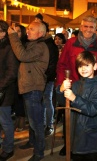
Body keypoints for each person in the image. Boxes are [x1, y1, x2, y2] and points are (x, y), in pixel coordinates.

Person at [56, 15, 97, 156]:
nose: (88, 29)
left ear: (96, 29)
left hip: (92, 87)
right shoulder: (71, 43)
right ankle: (69, 145)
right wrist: (61, 84)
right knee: (71, 117)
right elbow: (62, 64)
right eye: (86, 26)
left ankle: (84, 149)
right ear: (80, 27)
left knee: (87, 120)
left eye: (91, 27)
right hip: (73, 85)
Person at [8, 21, 49, 161]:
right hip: (29, 87)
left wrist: (13, 36)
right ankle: (33, 142)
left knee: (36, 122)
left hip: (34, 89)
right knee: (32, 121)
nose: (28, 31)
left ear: (40, 34)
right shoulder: (33, 44)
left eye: (31, 29)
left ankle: (39, 152)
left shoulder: (40, 46)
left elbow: (22, 55)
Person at [0, 20, 19, 161]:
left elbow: (12, 72)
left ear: (3, 32)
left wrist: (0, 87)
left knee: (5, 121)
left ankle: (8, 148)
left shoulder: (9, 47)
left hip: (4, 91)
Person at [42, 21, 59, 137]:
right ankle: (45, 124)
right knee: (44, 102)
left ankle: (49, 125)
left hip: (47, 79)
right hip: (42, 78)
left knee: (47, 101)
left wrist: (45, 77)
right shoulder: (42, 43)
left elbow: (52, 65)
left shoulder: (50, 45)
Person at [14, 24, 27, 132]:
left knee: (21, 100)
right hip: (13, 76)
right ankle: (18, 120)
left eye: (18, 31)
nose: (16, 33)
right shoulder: (12, 44)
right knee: (15, 100)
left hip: (22, 76)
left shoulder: (24, 45)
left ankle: (21, 122)